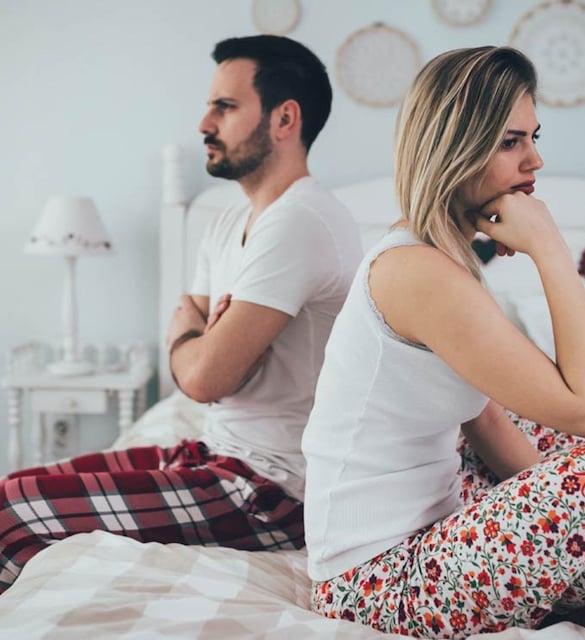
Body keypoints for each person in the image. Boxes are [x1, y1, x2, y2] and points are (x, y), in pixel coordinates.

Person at [0, 35, 362, 595]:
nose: (203, 122)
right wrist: (202, 335)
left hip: (274, 491)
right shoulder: (225, 223)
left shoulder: (301, 223)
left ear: (284, 118)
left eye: (225, 106)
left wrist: (200, 338)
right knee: (14, 486)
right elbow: (190, 347)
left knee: (9, 511)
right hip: (214, 456)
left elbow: (200, 377)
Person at [301, 45, 585, 638]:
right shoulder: (418, 273)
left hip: (429, 539)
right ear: (455, 147)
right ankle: (577, 592)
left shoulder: (438, 259)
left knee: (548, 433)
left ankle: (578, 592)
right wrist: (552, 251)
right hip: (378, 584)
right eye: (511, 142)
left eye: (534, 137)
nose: (535, 160)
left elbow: (485, 422)